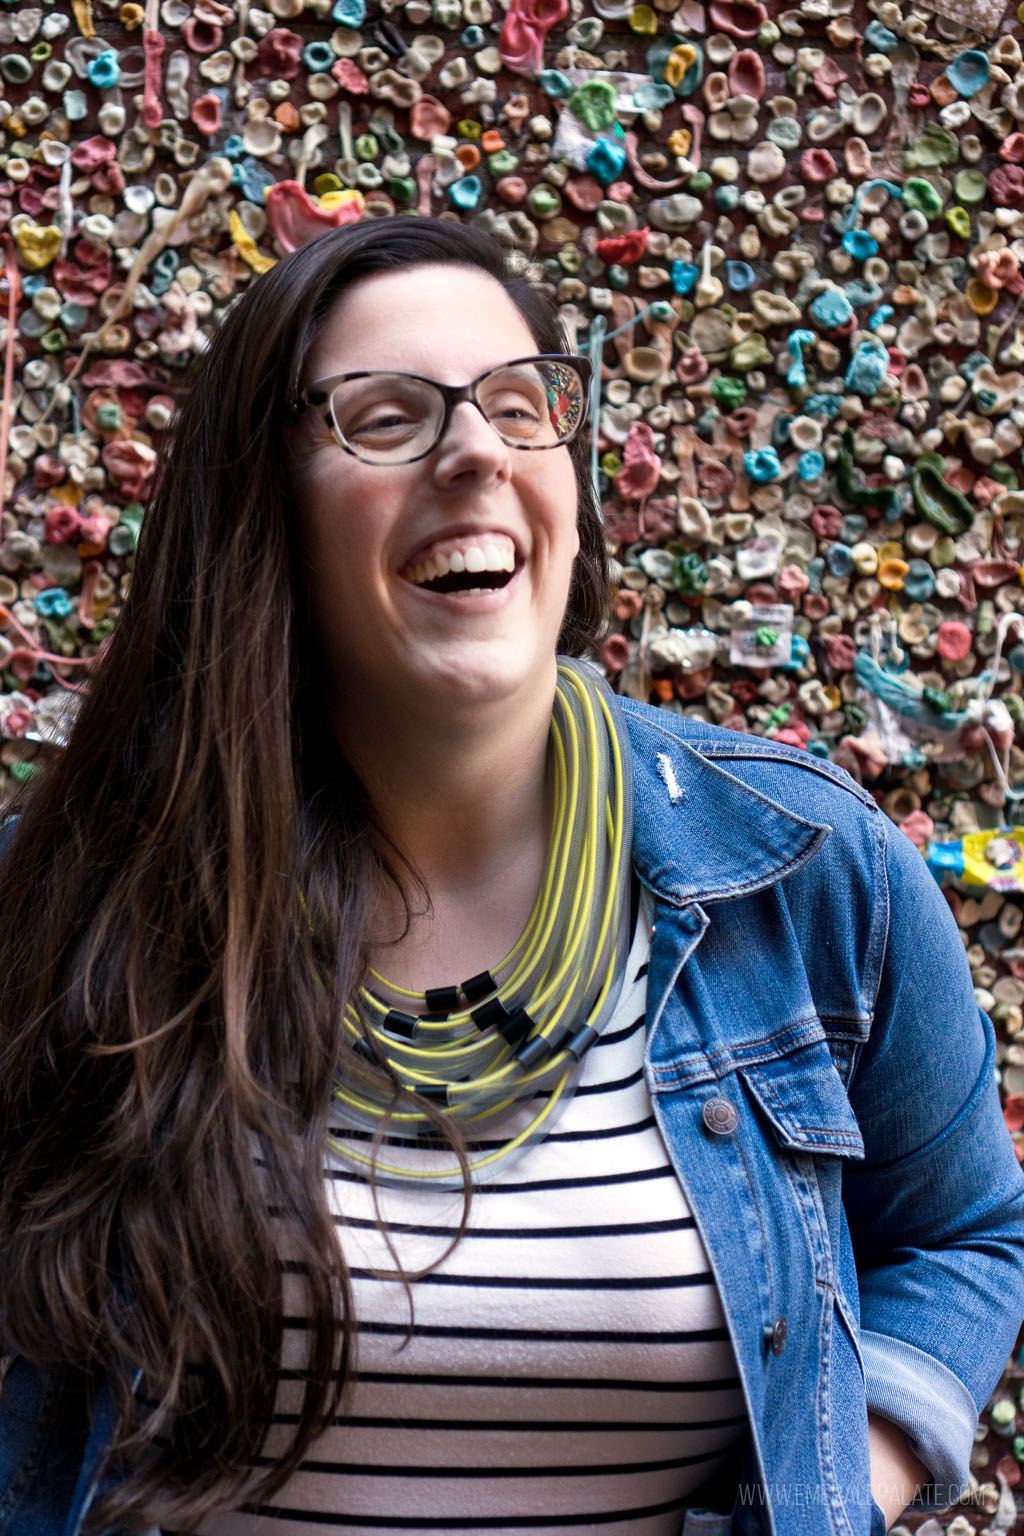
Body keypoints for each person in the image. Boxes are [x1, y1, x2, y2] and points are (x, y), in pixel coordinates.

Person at [0, 216, 1022, 1536]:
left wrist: (828, 1492)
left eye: (520, 406)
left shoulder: (807, 873)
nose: (476, 449)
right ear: (264, 509)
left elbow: (963, 1237)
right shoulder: (73, 895)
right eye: (384, 414)